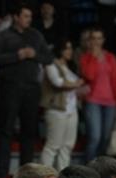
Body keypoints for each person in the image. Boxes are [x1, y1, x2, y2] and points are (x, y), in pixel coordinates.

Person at [0, 3, 52, 178]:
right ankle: (2, 170)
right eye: (25, 16)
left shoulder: (36, 35)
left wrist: (35, 55)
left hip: (32, 88)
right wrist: (17, 56)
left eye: (30, 16)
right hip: (9, 87)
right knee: (5, 129)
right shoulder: (3, 36)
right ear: (16, 17)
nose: (28, 20)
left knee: (29, 131)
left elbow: (48, 57)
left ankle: (26, 173)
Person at [78, 26, 116, 163]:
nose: (96, 42)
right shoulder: (85, 58)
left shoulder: (110, 57)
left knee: (105, 138)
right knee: (94, 137)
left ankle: (101, 169)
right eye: (93, 38)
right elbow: (89, 76)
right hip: (93, 101)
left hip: (110, 103)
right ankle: (88, 170)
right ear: (89, 41)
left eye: (99, 38)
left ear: (103, 40)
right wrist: (94, 57)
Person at [40, 39, 81, 170]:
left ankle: (63, 176)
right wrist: (76, 84)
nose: (70, 51)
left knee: (67, 146)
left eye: (70, 48)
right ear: (60, 50)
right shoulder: (51, 64)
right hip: (56, 110)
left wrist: (78, 86)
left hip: (71, 109)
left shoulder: (70, 66)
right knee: (53, 146)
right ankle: (45, 176)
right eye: (66, 48)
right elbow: (57, 82)